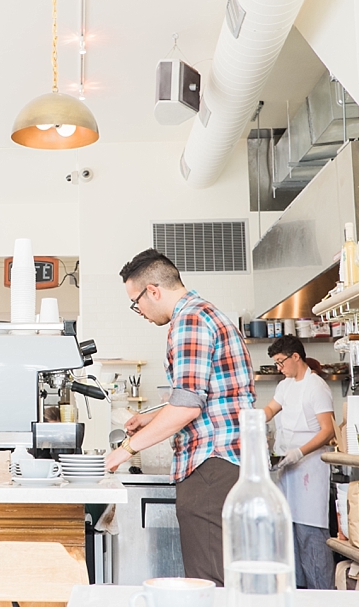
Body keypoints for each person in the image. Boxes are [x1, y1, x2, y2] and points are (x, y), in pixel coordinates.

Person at [105, 249, 254, 586]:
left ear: (153, 290)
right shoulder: (205, 314)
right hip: (224, 465)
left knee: (210, 584)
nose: (138, 311)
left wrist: (126, 448)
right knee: (224, 577)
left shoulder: (189, 320)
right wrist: (149, 418)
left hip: (210, 467)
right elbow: (205, 392)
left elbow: (187, 406)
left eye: (136, 302)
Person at [262, 335, 336, 590]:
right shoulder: (285, 386)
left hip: (310, 469)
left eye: (281, 362)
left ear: (296, 356)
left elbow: (328, 431)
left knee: (310, 535)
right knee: (289, 536)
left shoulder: (316, 387)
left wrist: (300, 452)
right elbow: (270, 410)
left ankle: (322, 597)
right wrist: (246, 418)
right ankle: (297, 597)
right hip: (287, 470)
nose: (279, 368)